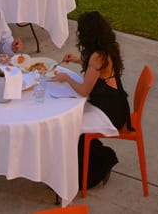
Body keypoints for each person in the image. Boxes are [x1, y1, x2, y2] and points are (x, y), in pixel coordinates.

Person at [53, 10, 131, 189]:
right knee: (72, 124)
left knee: (71, 127)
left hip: (110, 111)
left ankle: (98, 165)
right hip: (117, 103)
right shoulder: (107, 48)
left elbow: (83, 90)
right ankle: (91, 160)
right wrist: (77, 60)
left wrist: (66, 78)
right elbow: (97, 69)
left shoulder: (97, 56)